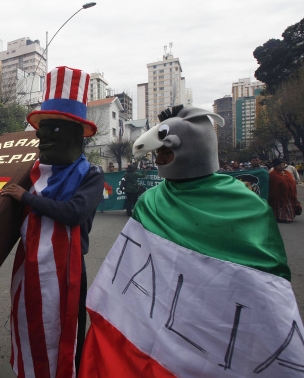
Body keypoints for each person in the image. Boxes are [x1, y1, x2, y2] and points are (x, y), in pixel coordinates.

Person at [80, 106, 301, 377]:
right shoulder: (152, 200)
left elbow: (266, 282)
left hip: (214, 329)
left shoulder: (247, 205)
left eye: (165, 151)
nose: (159, 160)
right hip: (154, 324)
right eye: (157, 153)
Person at [0, 66, 104, 377]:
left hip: (67, 269)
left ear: (76, 134)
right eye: (41, 130)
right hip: (29, 262)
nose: (43, 138)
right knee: (29, 323)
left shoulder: (91, 175)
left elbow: (73, 213)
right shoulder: (31, 171)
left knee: (66, 331)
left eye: (54, 130)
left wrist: (27, 198)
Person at [269, 158, 302, 223]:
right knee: (280, 207)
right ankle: (281, 218)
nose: (281, 166)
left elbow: (293, 182)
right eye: (279, 165)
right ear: (275, 166)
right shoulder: (272, 174)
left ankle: (288, 217)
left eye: (282, 164)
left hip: (289, 195)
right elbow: (272, 185)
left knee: (288, 206)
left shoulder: (288, 173)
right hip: (278, 196)